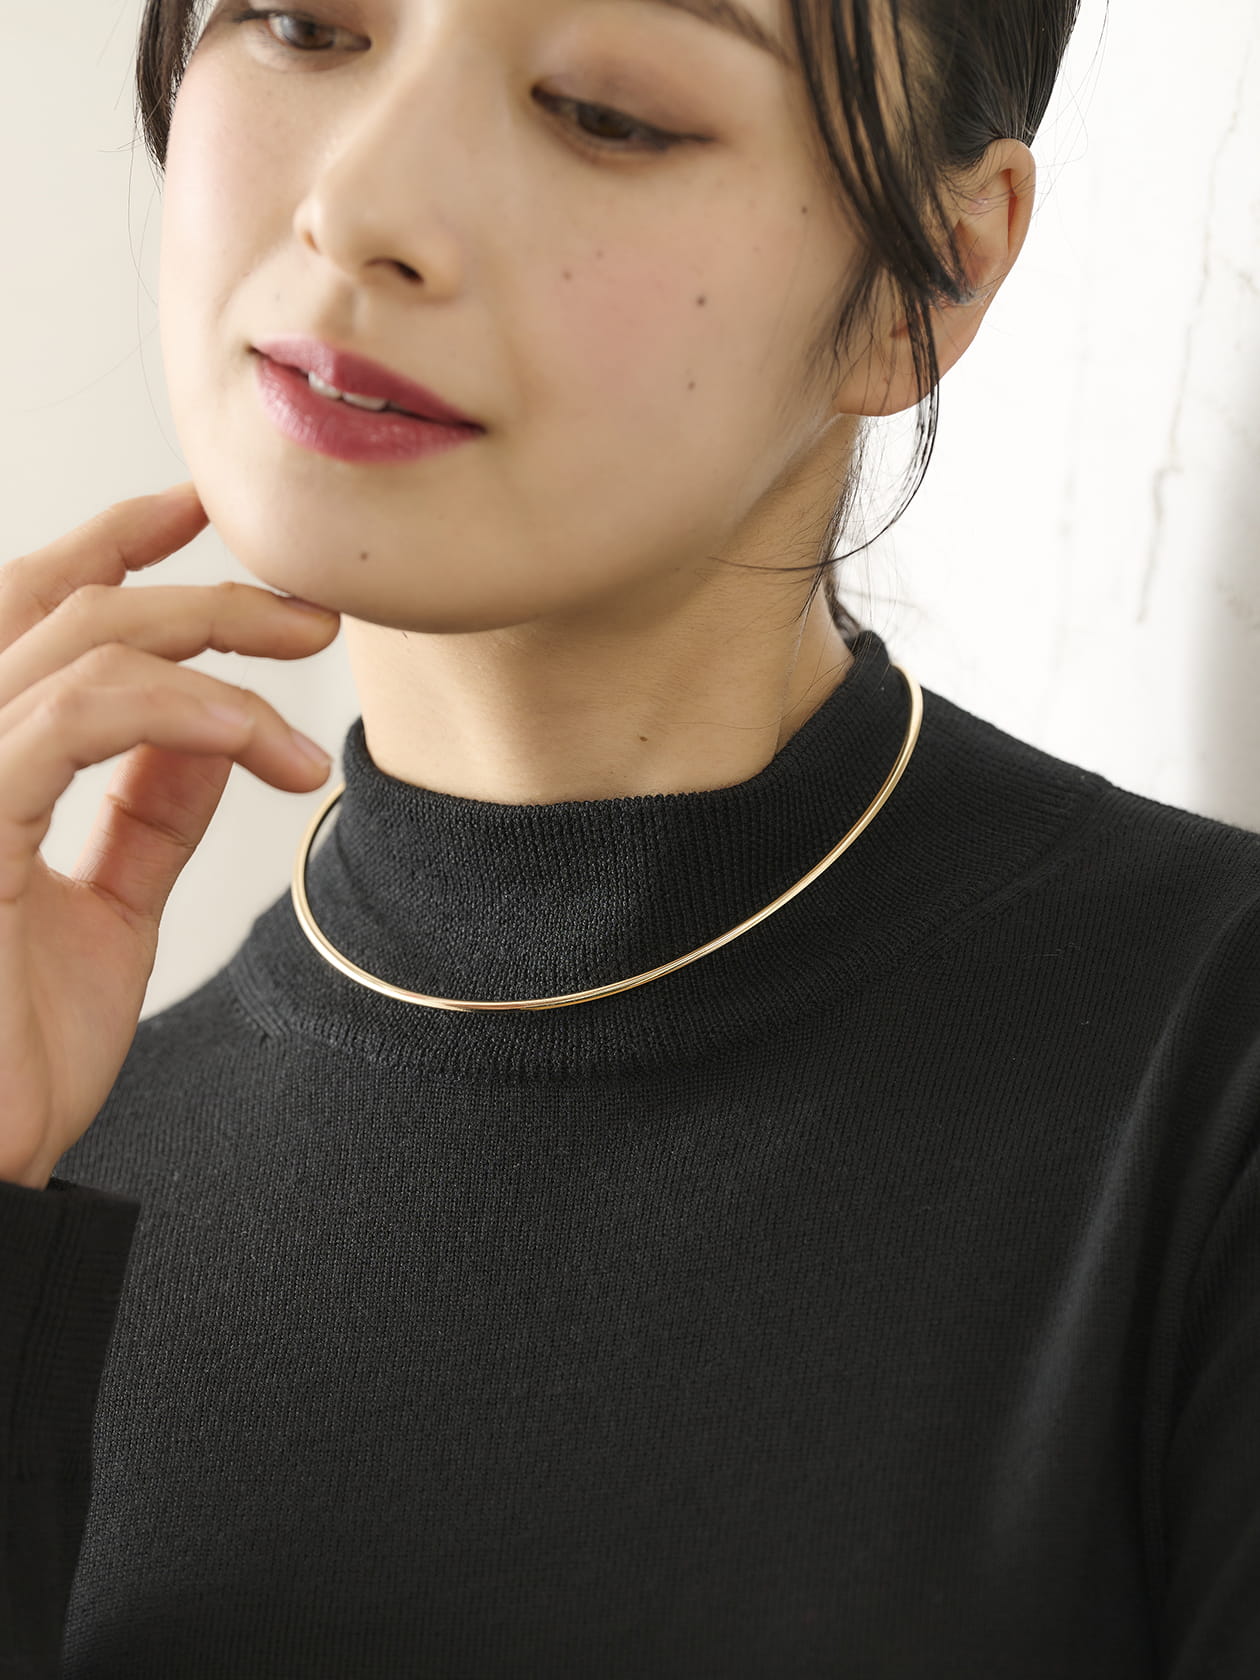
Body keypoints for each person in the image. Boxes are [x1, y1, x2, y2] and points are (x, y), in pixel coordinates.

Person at [2, 0, 1257, 1673]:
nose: (360, 210)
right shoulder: (56, 1149)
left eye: (607, 111)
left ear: (933, 277)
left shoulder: (1204, 1085)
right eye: (302, 23)